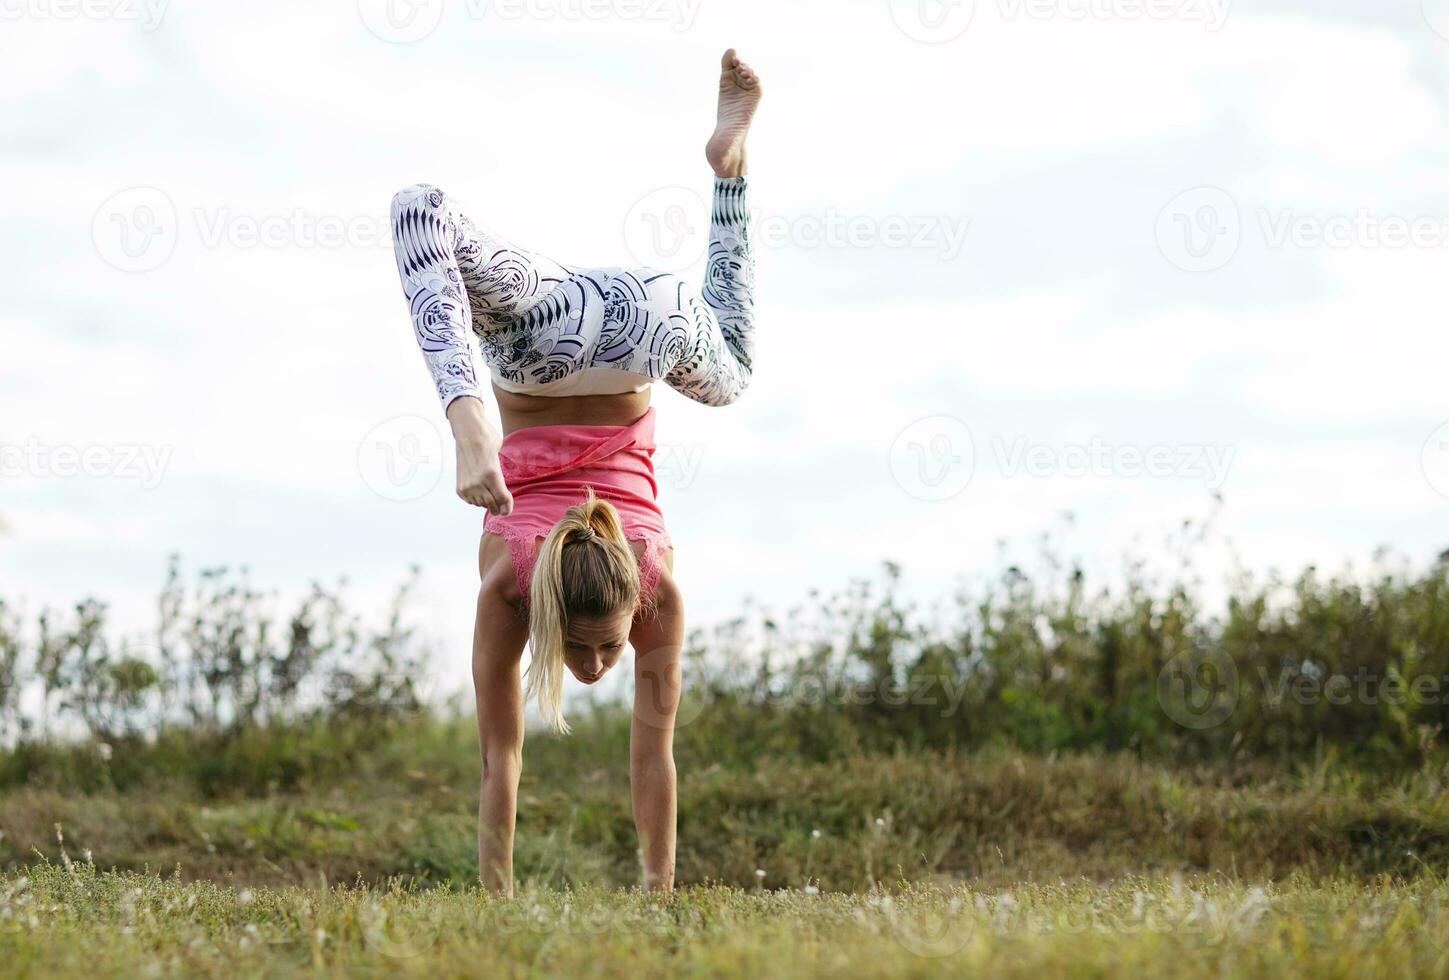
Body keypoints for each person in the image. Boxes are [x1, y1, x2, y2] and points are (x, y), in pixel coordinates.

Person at [388, 49, 762, 894]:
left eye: (596, 649)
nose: (596, 666)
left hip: (587, 327)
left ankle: (730, 173)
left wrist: (643, 902)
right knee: (731, 370)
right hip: (627, 322)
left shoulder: (538, 588)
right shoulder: (637, 591)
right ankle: (729, 174)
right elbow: (641, 755)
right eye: (595, 652)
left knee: (421, 213)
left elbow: (503, 758)